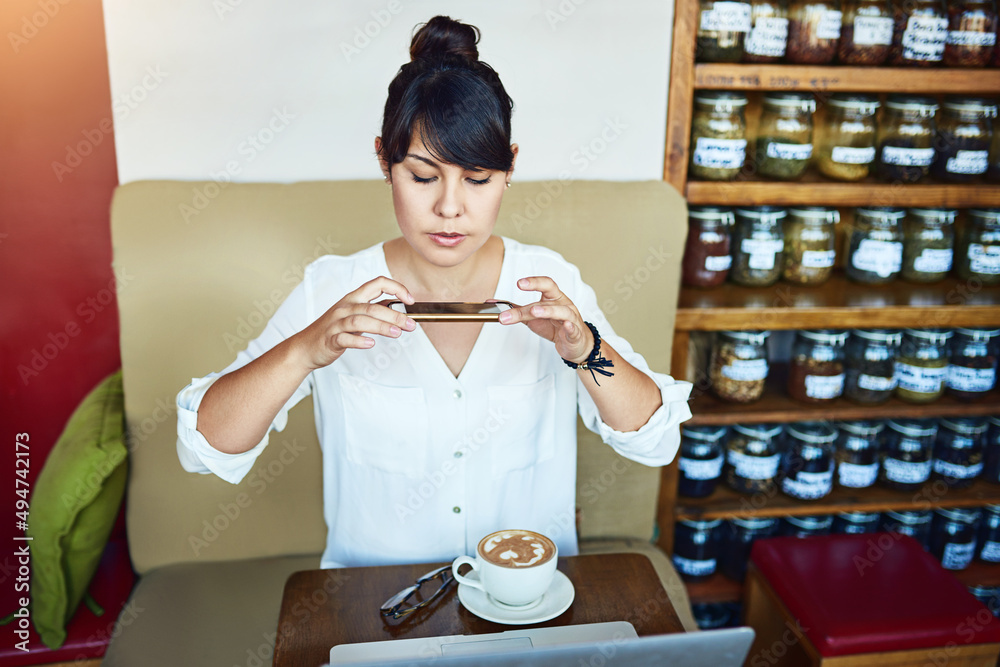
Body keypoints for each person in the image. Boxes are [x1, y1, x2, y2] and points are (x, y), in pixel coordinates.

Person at [175, 15, 692, 569]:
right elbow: (204, 448)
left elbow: (654, 441)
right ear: (384, 160)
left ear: (510, 166)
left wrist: (586, 350)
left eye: (477, 179)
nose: (450, 208)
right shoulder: (331, 288)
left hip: (524, 606)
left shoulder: (548, 280)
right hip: (373, 609)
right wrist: (305, 350)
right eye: (423, 177)